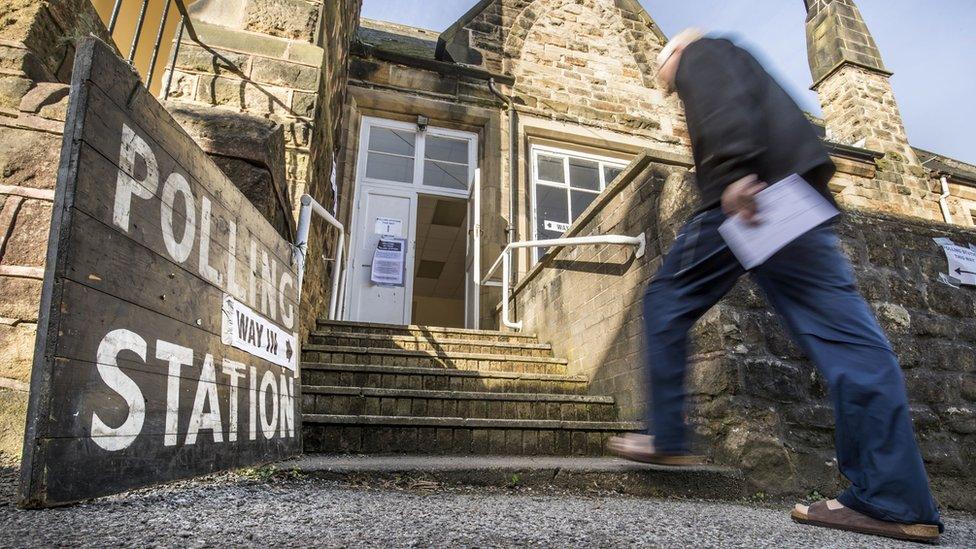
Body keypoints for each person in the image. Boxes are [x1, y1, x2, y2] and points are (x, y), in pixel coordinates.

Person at [607, 30, 944, 543]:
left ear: (672, 54)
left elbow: (722, 103)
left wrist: (734, 169)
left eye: (664, 77)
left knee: (665, 300)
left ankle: (668, 434)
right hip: (796, 201)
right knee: (848, 344)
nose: (668, 88)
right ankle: (890, 496)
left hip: (753, 201)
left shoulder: (701, 53)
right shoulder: (735, 61)